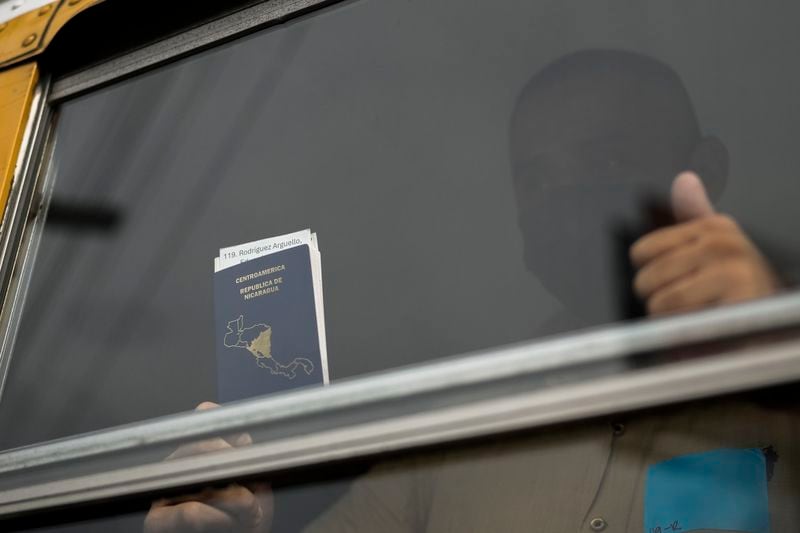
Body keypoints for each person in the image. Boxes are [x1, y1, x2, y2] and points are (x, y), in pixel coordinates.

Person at [144, 51, 796, 532]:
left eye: (608, 161)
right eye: (537, 179)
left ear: (704, 171)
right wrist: (221, 521)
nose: (566, 202)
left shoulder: (782, 375)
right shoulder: (462, 428)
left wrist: (777, 357)